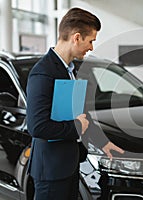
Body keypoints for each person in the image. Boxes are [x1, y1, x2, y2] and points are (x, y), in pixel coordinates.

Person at [26, 7, 124, 200]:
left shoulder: (69, 70)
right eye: (91, 41)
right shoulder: (43, 73)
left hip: (68, 167)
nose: (92, 47)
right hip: (51, 173)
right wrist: (77, 126)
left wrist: (104, 143)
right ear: (77, 37)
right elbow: (37, 127)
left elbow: (81, 114)